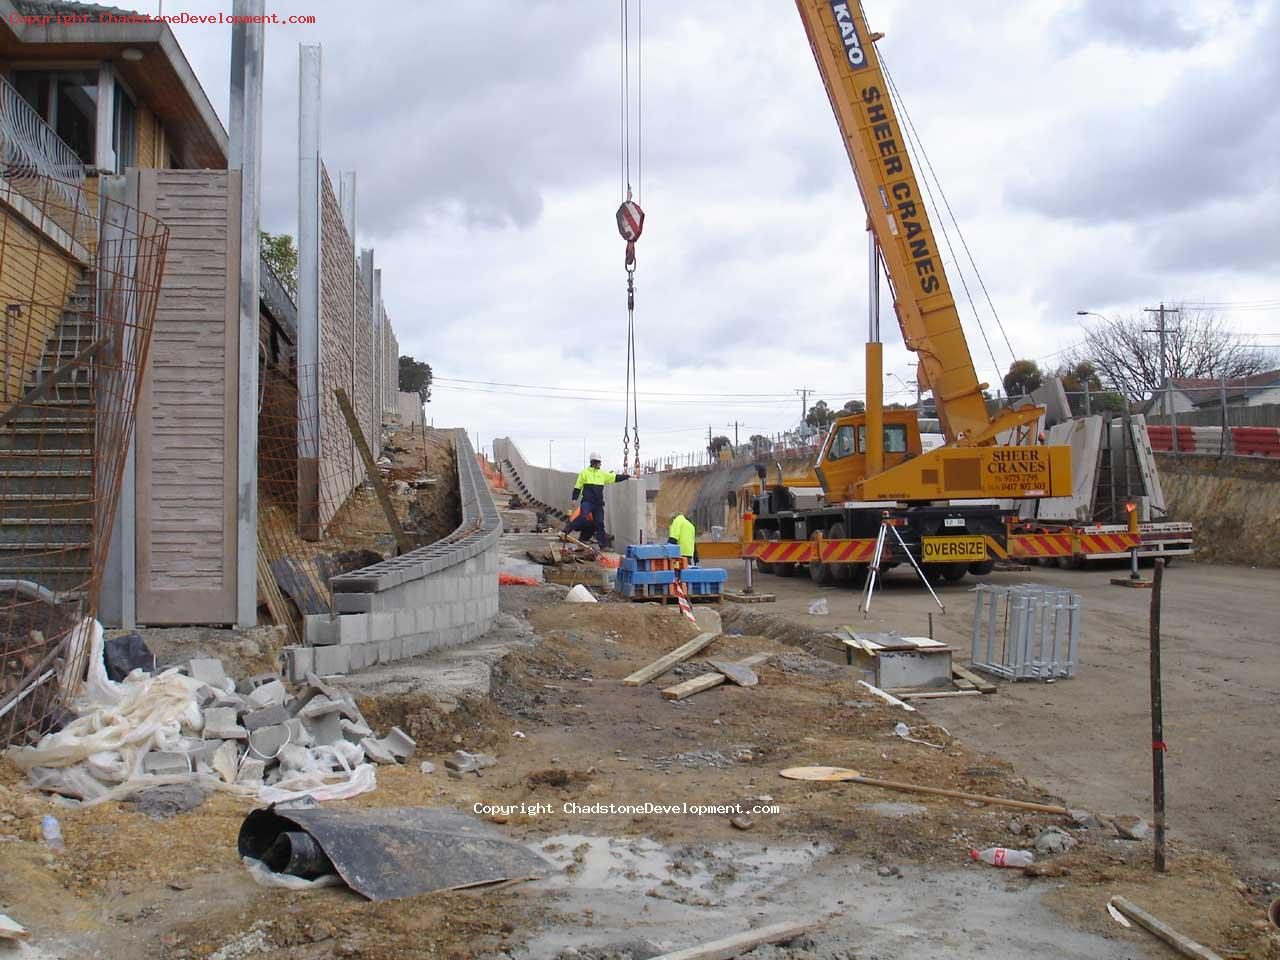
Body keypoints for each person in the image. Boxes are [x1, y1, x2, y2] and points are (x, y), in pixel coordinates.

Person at [566, 453, 629, 548]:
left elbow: (615, 477)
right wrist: (574, 499)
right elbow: (578, 486)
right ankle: (565, 532)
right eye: (599, 462)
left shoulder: (602, 474)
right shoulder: (584, 473)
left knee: (599, 524)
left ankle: (603, 545)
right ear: (594, 463)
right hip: (587, 501)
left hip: (598, 504)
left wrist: (627, 477)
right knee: (582, 517)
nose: (600, 464)